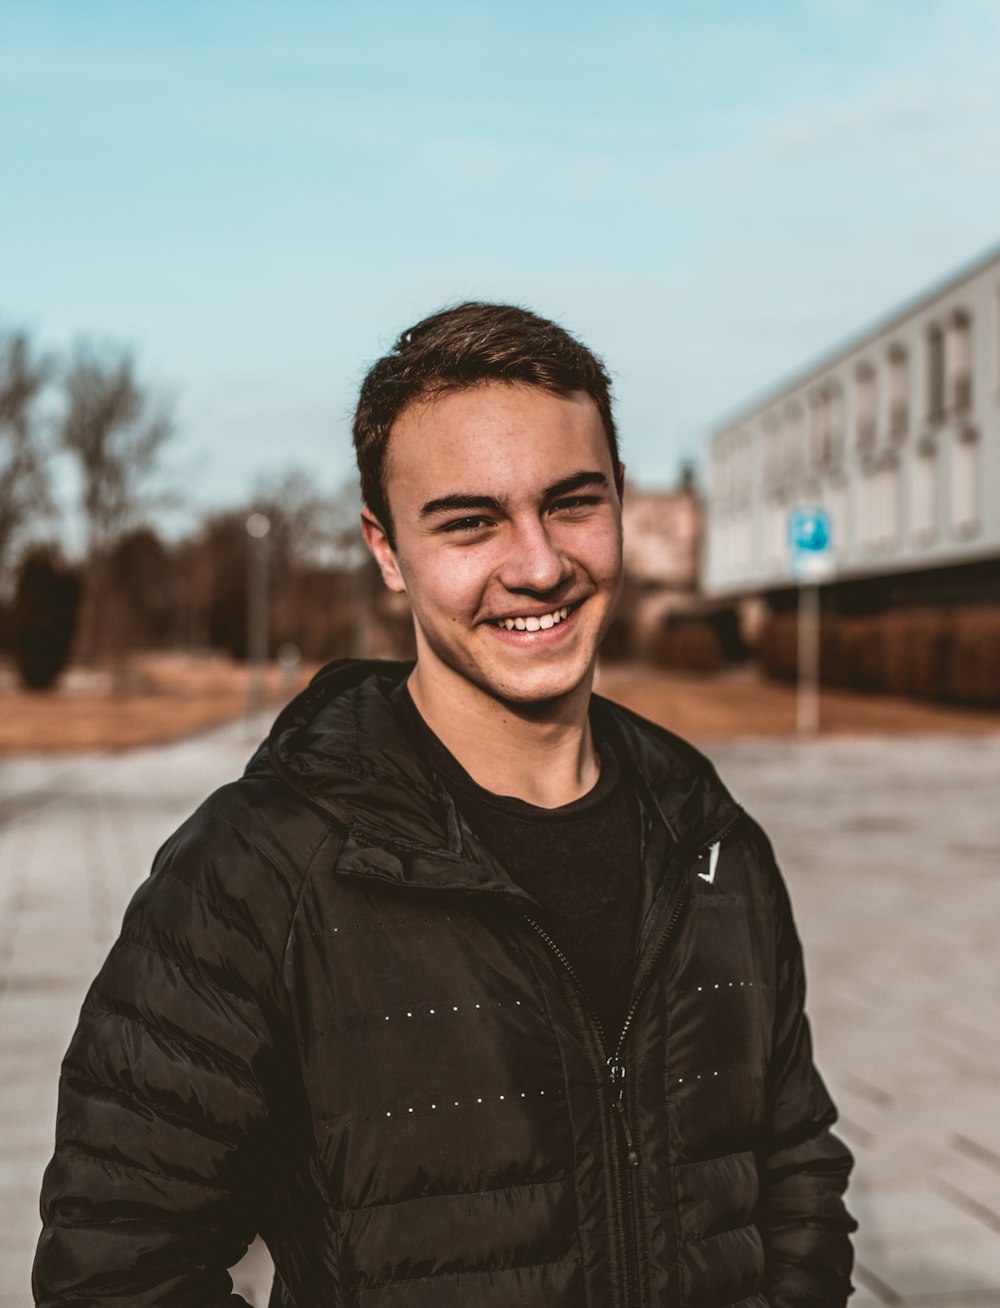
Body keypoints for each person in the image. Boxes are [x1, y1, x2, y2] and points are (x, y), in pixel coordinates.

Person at [34, 303, 854, 1307]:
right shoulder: (254, 871)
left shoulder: (711, 837)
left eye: (571, 503)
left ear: (622, 503)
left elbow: (794, 1170)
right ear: (385, 549)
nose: (539, 564)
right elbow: (119, 1269)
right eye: (470, 522)